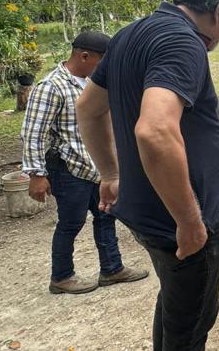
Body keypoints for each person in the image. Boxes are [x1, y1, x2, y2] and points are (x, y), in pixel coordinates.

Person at [76, 0, 219, 350]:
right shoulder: (182, 42)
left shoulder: (128, 35)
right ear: (217, 12)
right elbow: (154, 130)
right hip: (181, 219)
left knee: (176, 307)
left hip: (149, 213)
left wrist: (110, 173)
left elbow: (87, 108)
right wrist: (189, 221)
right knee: (191, 326)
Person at [20, 31, 148, 295]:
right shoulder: (51, 87)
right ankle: (61, 276)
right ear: (84, 56)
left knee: (106, 215)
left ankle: (112, 268)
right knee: (71, 222)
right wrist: (36, 174)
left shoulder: (91, 83)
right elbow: (33, 133)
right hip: (69, 168)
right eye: (103, 62)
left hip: (96, 167)